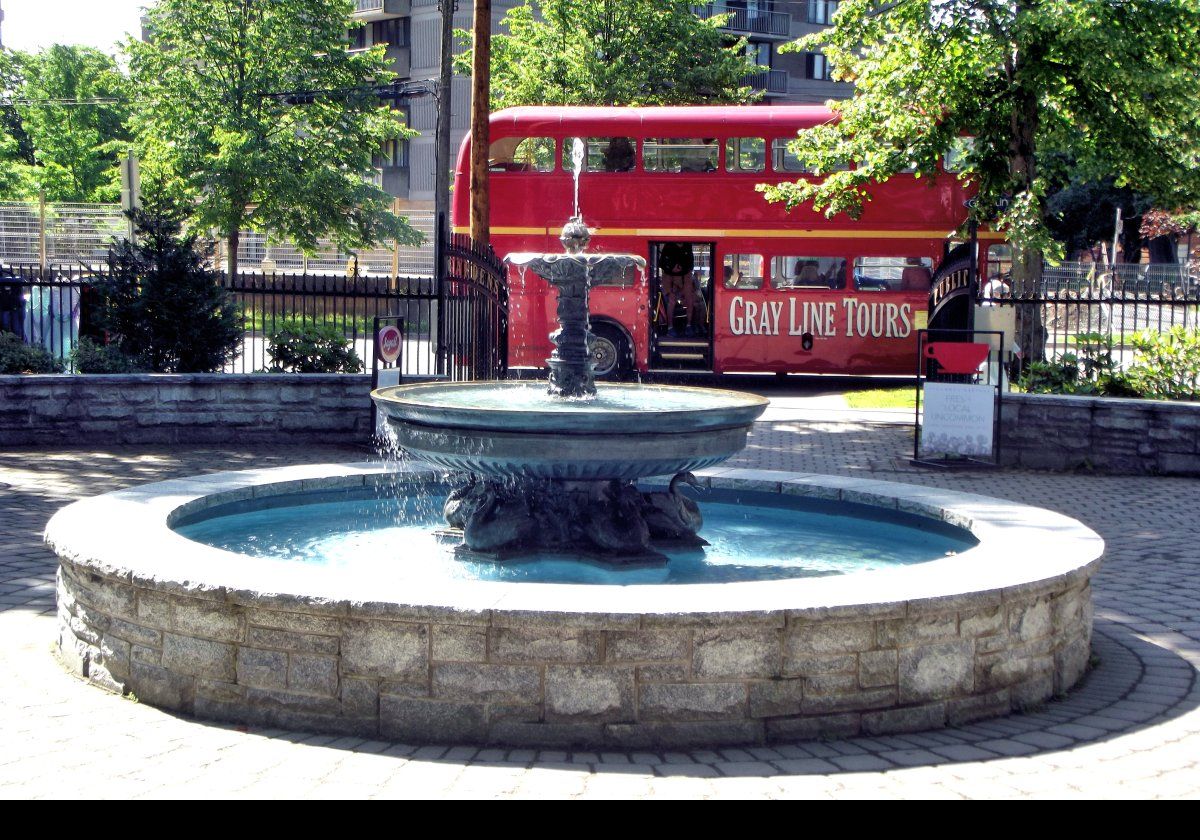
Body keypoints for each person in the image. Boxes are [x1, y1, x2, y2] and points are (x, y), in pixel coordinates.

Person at [659, 242, 697, 337]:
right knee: (671, 301)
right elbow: (662, 262)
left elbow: (691, 262)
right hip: (669, 276)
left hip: (685, 276)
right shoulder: (668, 245)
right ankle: (670, 328)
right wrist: (672, 268)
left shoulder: (688, 245)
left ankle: (688, 325)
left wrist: (683, 268)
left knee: (690, 301)